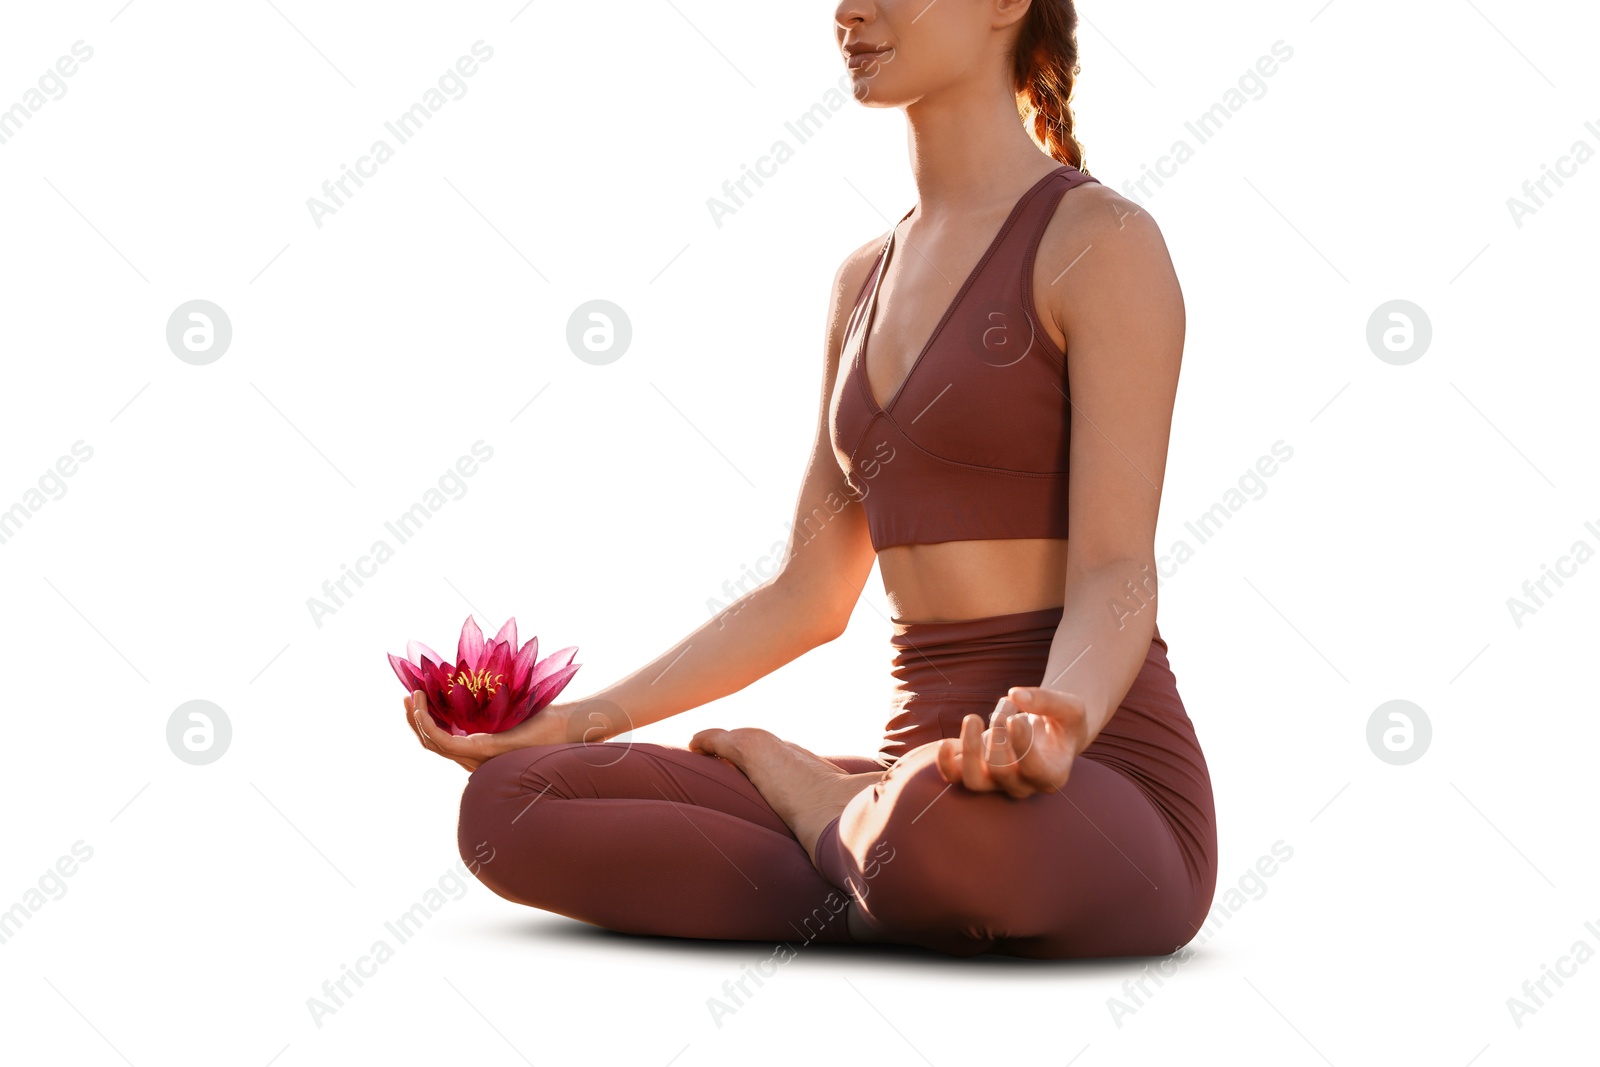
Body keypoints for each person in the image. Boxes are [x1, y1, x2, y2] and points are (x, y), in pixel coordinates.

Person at [406, 0, 1217, 959]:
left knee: (934, 818)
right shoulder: (861, 282)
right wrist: (576, 722)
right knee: (508, 800)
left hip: (1100, 785)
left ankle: (846, 823)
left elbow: (1116, 572)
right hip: (914, 783)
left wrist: (1063, 716)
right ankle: (881, 867)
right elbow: (807, 592)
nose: (848, 9)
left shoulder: (1102, 242)